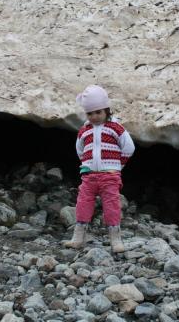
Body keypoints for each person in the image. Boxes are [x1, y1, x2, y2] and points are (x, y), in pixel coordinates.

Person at [64, 84, 135, 253]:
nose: (94, 116)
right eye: (90, 113)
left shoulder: (115, 128)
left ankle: (115, 239)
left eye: (98, 112)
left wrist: (118, 165)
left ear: (106, 110)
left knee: (111, 205)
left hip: (110, 175)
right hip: (89, 176)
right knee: (83, 204)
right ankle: (78, 238)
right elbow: (80, 150)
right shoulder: (84, 130)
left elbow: (128, 148)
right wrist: (86, 164)